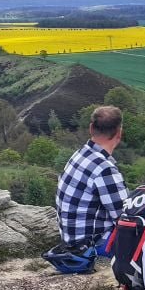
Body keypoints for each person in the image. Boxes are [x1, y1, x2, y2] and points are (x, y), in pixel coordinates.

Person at [54, 104, 129, 260]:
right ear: (119, 133)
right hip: (92, 247)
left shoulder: (80, 154)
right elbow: (125, 217)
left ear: (91, 128)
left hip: (70, 240)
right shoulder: (105, 169)